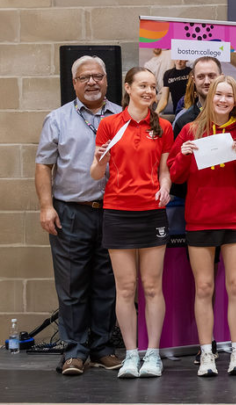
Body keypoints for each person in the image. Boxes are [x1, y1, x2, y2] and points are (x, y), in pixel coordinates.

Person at [168, 75, 236, 377]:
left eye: (228, 95)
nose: (223, 100)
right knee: (204, 287)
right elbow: (176, 176)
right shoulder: (190, 130)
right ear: (209, 98)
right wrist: (184, 156)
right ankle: (207, 353)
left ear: (235, 101)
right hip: (200, 220)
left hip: (234, 219)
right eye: (218, 95)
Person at [35, 56, 123, 376]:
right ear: (74, 83)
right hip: (70, 212)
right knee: (72, 286)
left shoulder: (123, 117)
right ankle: (74, 351)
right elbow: (44, 165)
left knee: (107, 284)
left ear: (106, 80)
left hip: (113, 211)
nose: (91, 82)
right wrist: (46, 206)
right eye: (84, 77)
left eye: (97, 76)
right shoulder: (57, 119)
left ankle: (101, 348)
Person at [90, 67, 173, 379]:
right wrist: (99, 159)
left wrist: (165, 187)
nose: (149, 91)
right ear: (128, 88)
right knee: (125, 288)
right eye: (142, 86)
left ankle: (153, 354)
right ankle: (131, 355)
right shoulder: (110, 124)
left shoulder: (163, 126)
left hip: (152, 213)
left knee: (151, 286)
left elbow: (164, 170)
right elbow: (96, 174)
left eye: (153, 87)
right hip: (117, 212)